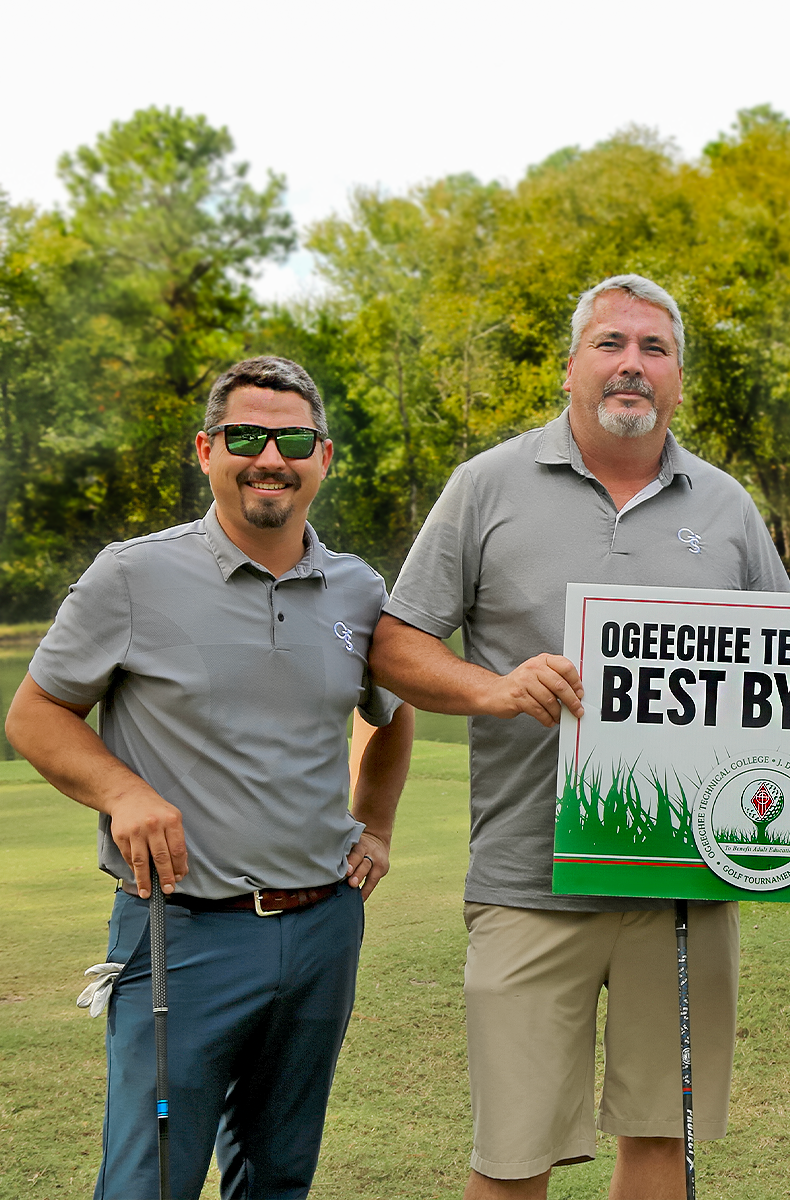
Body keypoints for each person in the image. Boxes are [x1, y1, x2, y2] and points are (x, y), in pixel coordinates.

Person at [368, 274, 790, 1199]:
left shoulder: (728, 508)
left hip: (684, 879)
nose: (631, 364)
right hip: (528, 880)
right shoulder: (486, 486)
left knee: (659, 1143)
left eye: (654, 349)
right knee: (513, 1158)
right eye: (610, 344)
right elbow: (396, 647)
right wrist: (496, 688)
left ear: (680, 378)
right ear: (570, 367)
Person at [4, 355, 415, 1199]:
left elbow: (392, 710)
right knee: (150, 1179)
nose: (271, 456)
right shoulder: (131, 574)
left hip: (322, 930)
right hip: (181, 935)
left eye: (294, 437)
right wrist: (124, 792)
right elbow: (34, 716)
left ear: (323, 458)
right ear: (205, 450)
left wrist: (375, 824)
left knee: (279, 1175)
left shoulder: (357, 588)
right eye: (246, 435)